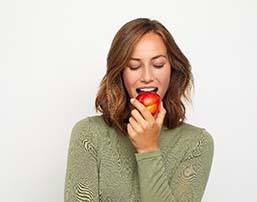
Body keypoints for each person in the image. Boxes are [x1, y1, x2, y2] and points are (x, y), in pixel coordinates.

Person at [64, 18, 214, 202]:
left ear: (173, 69)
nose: (147, 77)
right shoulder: (89, 134)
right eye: (134, 66)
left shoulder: (197, 143)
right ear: (120, 72)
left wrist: (148, 150)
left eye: (158, 65)